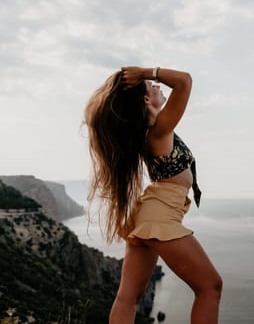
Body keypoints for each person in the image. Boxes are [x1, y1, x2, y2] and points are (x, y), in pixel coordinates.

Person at [84, 66, 222, 324]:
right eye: (152, 86)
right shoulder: (158, 130)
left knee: (128, 299)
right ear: (146, 100)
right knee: (210, 287)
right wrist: (148, 73)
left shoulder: (151, 130)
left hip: (150, 214)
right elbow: (184, 81)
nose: (158, 86)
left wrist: (145, 78)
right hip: (159, 218)